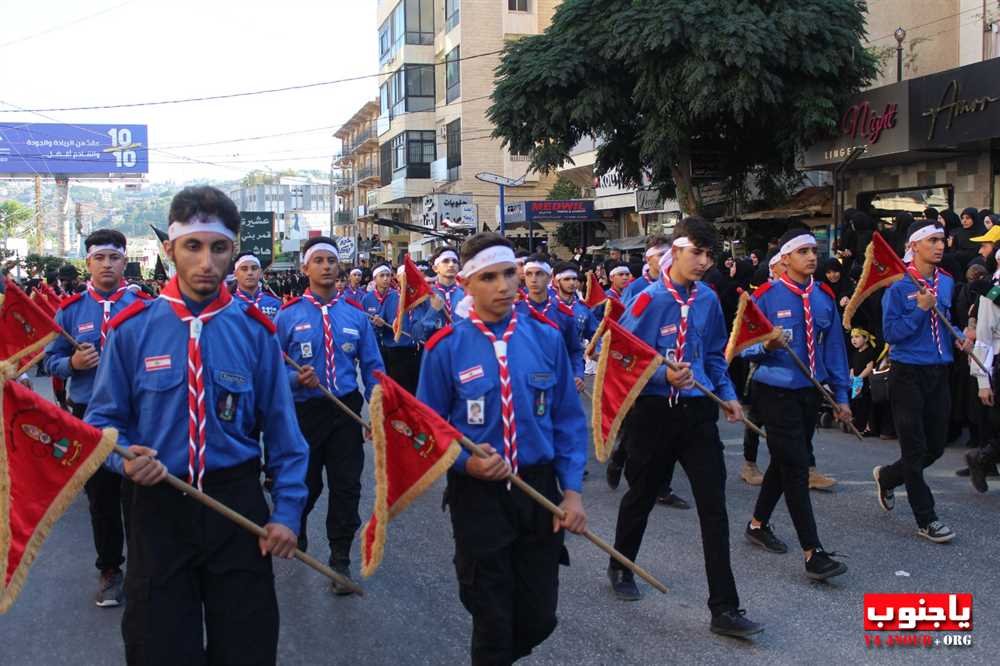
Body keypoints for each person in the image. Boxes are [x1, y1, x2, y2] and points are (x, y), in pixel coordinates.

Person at [85, 186, 308, 665]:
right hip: (157, 505)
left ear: (232, 252)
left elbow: (286, 436)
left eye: (219, 247)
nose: (206, 261)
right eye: (193, 246)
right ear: (170, 250)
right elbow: (101, 424)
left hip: (237, 507)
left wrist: (287, 513)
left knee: (245, 648)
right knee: (159, 648)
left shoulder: (255, 331)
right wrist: (125, 461)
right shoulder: (131, 330)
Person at [417, 233, 588, 664]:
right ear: (467, 285)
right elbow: (425, 431)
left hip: (537, 489)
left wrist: (571, 492)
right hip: (478, 497)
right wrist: (465, 463)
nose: (504, 285)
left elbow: (567, 420)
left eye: (509, 273)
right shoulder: (445, 349)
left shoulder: (546, 339)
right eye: (489, 277)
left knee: (538, 617)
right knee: (491, 617)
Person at [610, 217, 763, 638]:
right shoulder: (645, 300)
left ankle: (724, 608)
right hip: (654, 413)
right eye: (696, 252)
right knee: (641, 494)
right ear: (674, 252)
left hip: (698, 415)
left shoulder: (710, 300)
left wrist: (729, 393)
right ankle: (621, 566)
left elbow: (714, 356)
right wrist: (662, 376)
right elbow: (624, 359)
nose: (703, 261)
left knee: (713, 507)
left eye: (710, 255)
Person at [739, 230, 850, 580]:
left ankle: (757, 525)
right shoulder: (766, 296)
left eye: (814, 251)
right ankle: (812, 552)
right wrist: (766, 348)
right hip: (774, 392)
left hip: (809, 392)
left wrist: (842, 398)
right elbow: (742, 347)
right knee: (797, 467)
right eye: (803, 251)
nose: (812, 257)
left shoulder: (823, 297)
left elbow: (834, 349)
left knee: (786, 462)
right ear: (785, 258)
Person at [43, 229, 146, 607]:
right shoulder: (70, 310)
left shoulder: (143, 306)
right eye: (99, 258)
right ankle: (109, 571)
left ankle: (144, 571)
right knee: (101, 499)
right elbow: (49, 360)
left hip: (135, 415)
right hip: (88, 416)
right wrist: (72, 362)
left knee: (137, 496)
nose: (107, 264)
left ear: (124, 261)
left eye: (114, 258)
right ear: (88, 263)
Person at [274, 236, 384, 591]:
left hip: (345, 410)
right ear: (305, 268)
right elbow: (271, 372)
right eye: (318, 260)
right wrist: (296, 379)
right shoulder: (287, 317)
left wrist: (378, 413)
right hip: (305, 414)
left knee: (347, 485)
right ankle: (298, 532)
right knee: (306, 483)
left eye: (331, 261)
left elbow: (373, 368)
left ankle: (340, 559)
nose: (325, 266)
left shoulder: (355, 315)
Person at [873, 220, 971, 543]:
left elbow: (947, 322)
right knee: (914, 450)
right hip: (906, 374)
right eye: (932, 240)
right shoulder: (898, 284)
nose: (940, 246)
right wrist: (919, 311)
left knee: (935, 447)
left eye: (942, 239)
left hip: (939, 373)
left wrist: (959, 336)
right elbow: (891, 334)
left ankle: (887, 476)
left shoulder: (945, 280)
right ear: (914, 246)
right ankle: (926, 518)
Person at [516, 256, 585, 391]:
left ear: (549, 278)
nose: (534, 279)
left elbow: (574, 350)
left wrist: (578, 374)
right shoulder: (514, 311)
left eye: (539, 274)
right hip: (522, 383)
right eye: (529, 274)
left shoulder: (563, 314)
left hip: (556, 381)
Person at [416, 246, 464, 339]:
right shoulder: (424, 296)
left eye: (455, 261)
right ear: (435, 268)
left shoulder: (467, 296)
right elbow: (417, 334)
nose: (451, 265)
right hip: (435, 350)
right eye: (446, 261)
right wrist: (433, 310)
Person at [231, 252, 282, 319]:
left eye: (254, 268)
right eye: (244, 269)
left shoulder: (275, 303)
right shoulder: (229, 305)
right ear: (235, 274)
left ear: (260, 272)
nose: (250, 273)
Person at [622, 235, 670, 303]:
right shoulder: (634, 288)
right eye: (661, 254)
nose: (666, 258)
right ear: (648, 259)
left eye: (669, 254)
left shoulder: (679, 285)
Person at [848, 328, 878, 435]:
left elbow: (869, 367)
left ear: (865, 339)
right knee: (856, 403)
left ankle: (865, 427)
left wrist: (859, 377)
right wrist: (851, 377)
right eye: (852, 337)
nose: (853, 340)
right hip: (856, 382)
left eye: (857, 337)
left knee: (864, 404)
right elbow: (852, 367)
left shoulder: (869, 352)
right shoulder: (855, 353)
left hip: (865, 383)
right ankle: (856, 423)